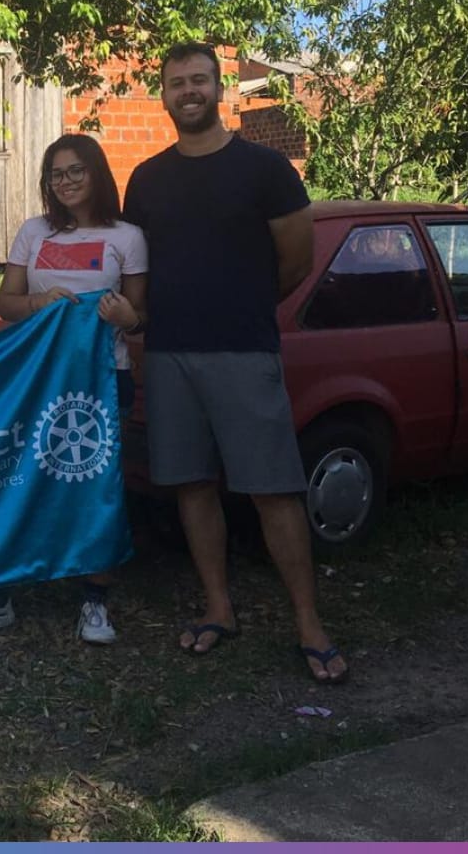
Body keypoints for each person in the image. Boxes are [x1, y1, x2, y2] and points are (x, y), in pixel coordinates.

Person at [121, 41, 349, 685]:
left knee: (274, 489)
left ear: (218, 89)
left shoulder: (266, 169)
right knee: (192, 484)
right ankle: (220, 607)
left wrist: (243, 309)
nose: (188, 91)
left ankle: (308, 623)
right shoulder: (148, 179)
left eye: (199, 80)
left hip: (245, 352)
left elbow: (296, 263)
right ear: (163, 95)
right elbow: (136, 265)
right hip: (167, 353)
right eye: (176, 83)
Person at [0, 133, 147, 644]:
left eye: (76, 170)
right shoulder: (34, 232)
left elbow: (140, 317)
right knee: (16, 479)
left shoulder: (128, 236)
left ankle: (95, 603)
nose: (67, 181)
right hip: (33, 378)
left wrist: (125, 315)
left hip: (100, 379)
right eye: (57, 173)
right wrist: (38, 304)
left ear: (96, 173)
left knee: (96, 485)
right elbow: (6, 303)